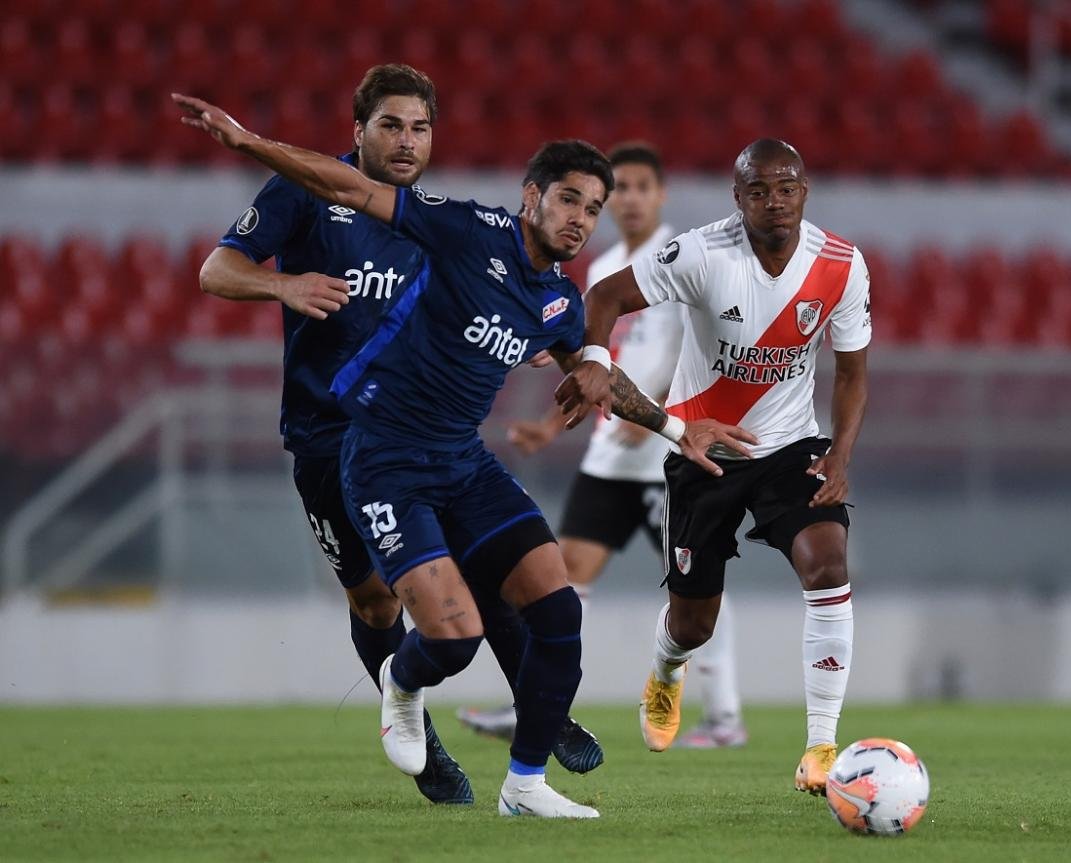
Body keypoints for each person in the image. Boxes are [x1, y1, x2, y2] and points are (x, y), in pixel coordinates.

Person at [173, 91, 755, 818]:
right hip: (355, 442)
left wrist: (674, 427)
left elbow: (593, 370)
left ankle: (527, 772)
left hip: (456, 456)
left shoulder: (555, 298)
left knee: (547, 600)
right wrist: (248, 147)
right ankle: (405, 693)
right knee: (412, 616)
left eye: (592, 208)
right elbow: (329, 197)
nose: (581, 217)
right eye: (568, 200)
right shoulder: (456, 226)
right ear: (532, 196)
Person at [193, 65, 594, 807]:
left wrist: (539, 337)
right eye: (391, 126)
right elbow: (217, 269)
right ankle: (417, 729)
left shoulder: (437, 220)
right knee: (379, 604)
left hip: (429, 436)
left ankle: (540, 713)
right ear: (358, 130)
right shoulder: (309, 190)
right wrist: (283, 284)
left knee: (490, 571)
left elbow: (507, 304)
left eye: (421, 128)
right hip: (328, 434)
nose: (407, 141)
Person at [555, 139, 871, 796]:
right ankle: (666, 669)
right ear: (738, 198)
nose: (775, 202)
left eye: (786, 188)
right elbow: (604, 297)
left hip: (790, 448)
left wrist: (840, 454)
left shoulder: (841, 265)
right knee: (693, 622)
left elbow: (851, 374)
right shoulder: (702, 253)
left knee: (828, 565)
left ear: (805, 191)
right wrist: (595, 362)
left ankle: (821, 746)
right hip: (704, 453)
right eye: (759, 191)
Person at [458, 142, 748, 749]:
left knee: (696, 590)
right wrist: (549, 421)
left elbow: (704, 347)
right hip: (611, 458)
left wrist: (658, 408)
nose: (632, 200)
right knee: (561, 578)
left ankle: (723, 717)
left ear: (661, 195)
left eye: (644, 187)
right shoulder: (604, 269)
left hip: (667, 457)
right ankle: (536, 701)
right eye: (623, 191)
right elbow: (589, 360)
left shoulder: (684, 258)